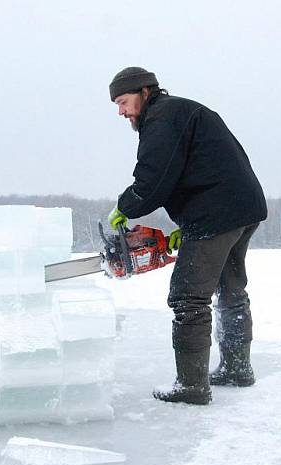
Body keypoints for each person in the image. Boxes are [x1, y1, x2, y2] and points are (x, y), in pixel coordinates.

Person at [107, 67, 268, 405]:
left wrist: (126, 205)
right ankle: (237, 368)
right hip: (242, 206)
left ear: (144, 92)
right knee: (231, 288)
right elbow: (198, 169)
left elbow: (153, 180)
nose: (121, 111)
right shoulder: (181, 111)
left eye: (123, 102)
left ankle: (192, 386)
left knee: (188, 298)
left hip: (218, 212)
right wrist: (188, 225)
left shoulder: (161, 119)